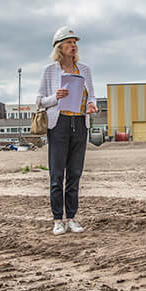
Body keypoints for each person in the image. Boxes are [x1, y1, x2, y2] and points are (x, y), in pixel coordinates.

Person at [37, 27, 98, 235]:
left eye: (75, 43)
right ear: (59, 47)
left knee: (75, 173)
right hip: (59, 124)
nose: (74, 46)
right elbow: (39, 101)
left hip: (80, 123)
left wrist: (91, 105)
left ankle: (71, 218)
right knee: (57, 175)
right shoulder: (50, 71)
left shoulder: (85, 70)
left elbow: (92, 96)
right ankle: (57, 220)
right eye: (69, 42)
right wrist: (56, 97)